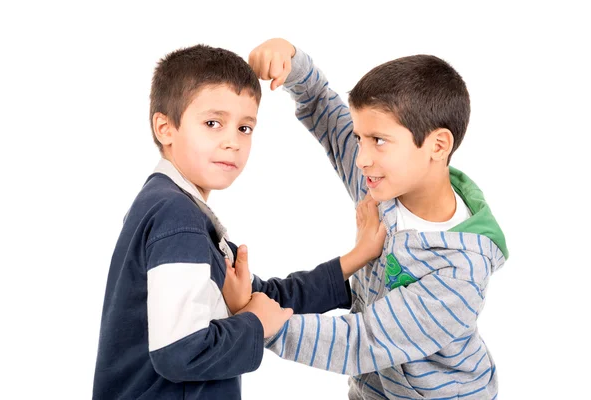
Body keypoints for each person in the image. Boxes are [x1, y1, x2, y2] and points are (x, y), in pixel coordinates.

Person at [92, 44, 386, 400]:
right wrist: (255, 322)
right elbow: (180, 353)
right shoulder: (176, 217)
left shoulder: (173, 207)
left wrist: (356, 258)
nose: (232, 142)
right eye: (213, 123)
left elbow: (261, 296)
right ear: (165, 128)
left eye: (245, 128)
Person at [245, 38, 509, 399]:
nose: (361, 158)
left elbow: (364, 341)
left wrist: (270, 328)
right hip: (373, 389)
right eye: (359, 138)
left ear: (438, 145)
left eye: (378, 140)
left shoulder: (461, 270)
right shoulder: (382, 186)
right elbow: (325, 109)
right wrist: (291, 61)